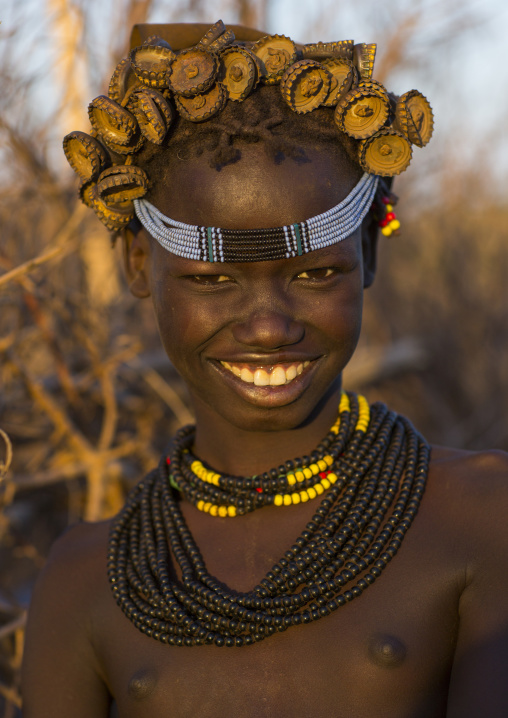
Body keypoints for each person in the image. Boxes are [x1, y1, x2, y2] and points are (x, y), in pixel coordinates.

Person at [21, 21, 508, 718]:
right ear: (138, 264)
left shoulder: (483, 516)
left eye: (315, 273)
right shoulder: (85, 581)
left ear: (370, 249)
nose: (270, 326)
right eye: (214, 280)